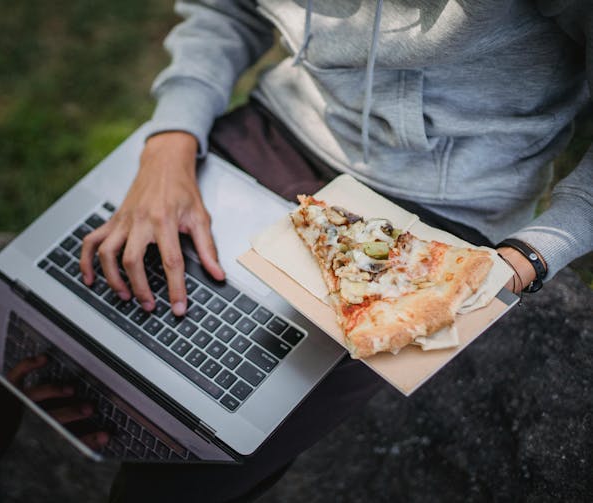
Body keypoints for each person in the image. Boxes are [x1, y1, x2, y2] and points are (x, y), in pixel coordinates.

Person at [78, 1, 593, 501]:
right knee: (84, 335)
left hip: (443, 205)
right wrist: (169, 138)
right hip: (282, 123)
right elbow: (227, 9)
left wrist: (528, 258)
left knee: (193, 464)